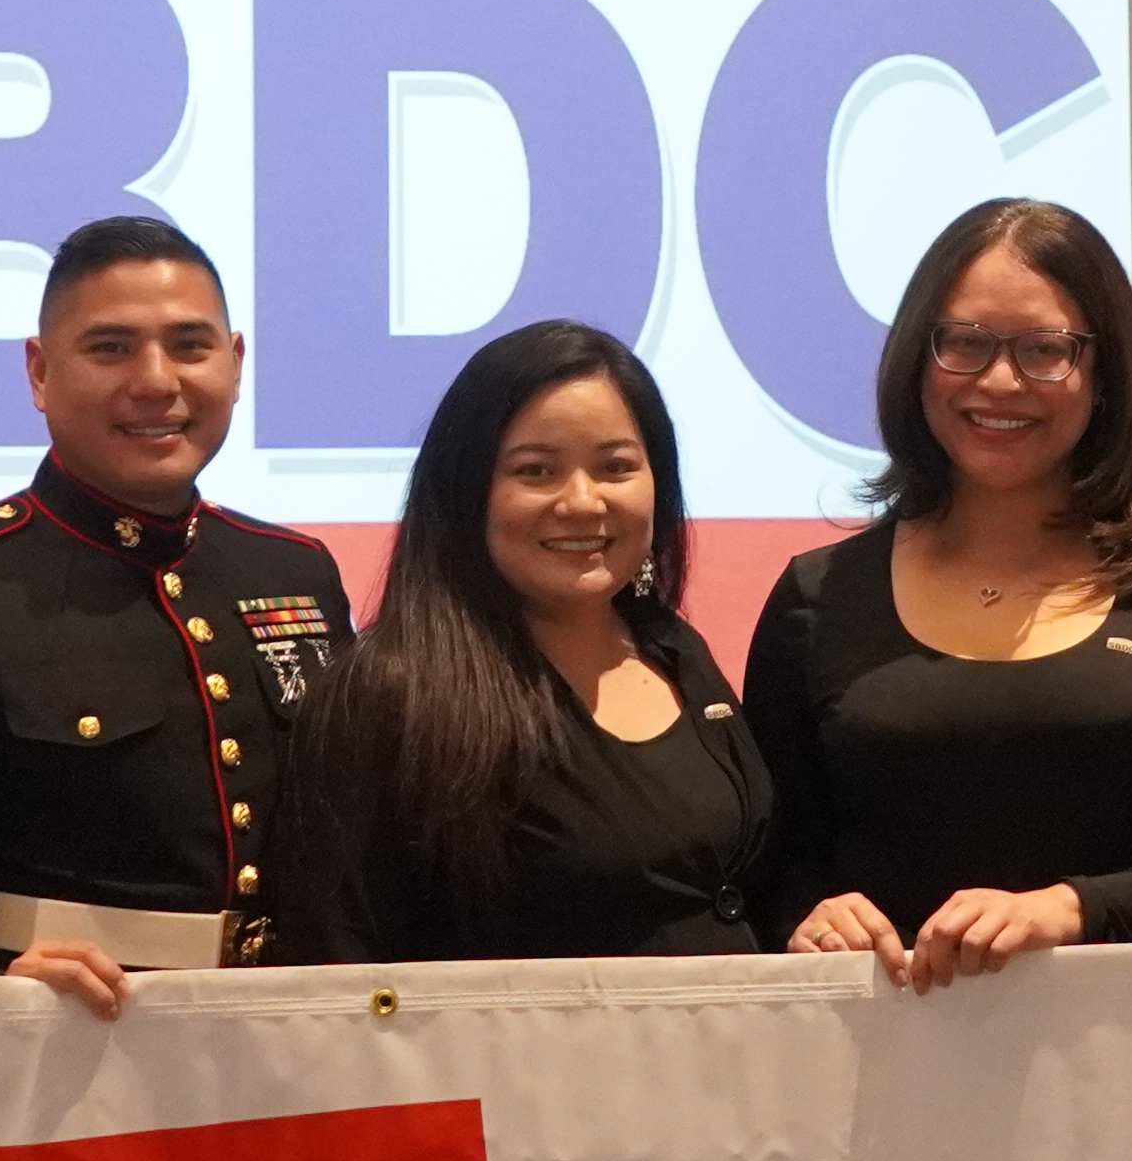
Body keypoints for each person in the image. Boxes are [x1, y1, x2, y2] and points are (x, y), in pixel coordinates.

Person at [747, 197, 1132, 982]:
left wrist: (1071, 908)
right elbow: (768, 858)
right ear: (919, 356)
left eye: (1045, 350)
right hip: (891, 1059)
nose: (999, 380)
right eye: (964, 343)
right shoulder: (816, 598)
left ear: (1104, 373)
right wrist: (809, 916)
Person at [0, 216, 353, 998]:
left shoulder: (296, 571)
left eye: (191, 346)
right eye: (111, 348)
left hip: (290, 1038)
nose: (157, 380)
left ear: (235, 364)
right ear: (39, 372)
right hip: (60, 1065)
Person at [272, 320, 772, 963]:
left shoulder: (673, 646)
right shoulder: (391, 694)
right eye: (537, 471)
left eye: (616, 466)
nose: (584, 502)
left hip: (738, 1054)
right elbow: (336, 957)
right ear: (466, 492)